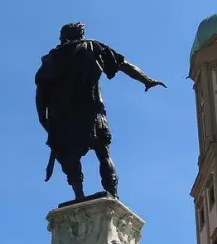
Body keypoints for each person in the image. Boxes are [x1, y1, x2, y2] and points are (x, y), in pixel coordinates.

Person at [35, 22, 165, 201]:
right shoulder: (93, 47)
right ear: (80, 35)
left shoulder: (51, 59)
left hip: (63, 117)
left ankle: (79, 195)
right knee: (103, 152)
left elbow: (41, 91)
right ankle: (113, 194)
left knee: (70, 156)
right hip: (91, 110)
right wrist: (146, 80)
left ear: (63, 37)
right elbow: (123, 64)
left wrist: (43, 117)